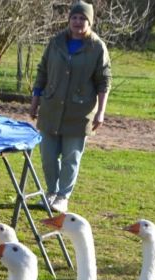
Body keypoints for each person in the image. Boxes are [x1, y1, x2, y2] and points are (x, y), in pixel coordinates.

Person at [29, 1, 111, 213]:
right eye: (74, 17)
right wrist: (35, 102)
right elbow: (42, 72)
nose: (78, 22)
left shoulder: (97, 47)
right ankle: (51, 192)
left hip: (79, 113)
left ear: (90, 22)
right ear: (69, 19)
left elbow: (104, 81)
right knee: (48, 157)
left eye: (83, 18)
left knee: (70, 158)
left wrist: (101, 112)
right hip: (51, 109)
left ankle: (62, 196)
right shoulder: (56, 43)